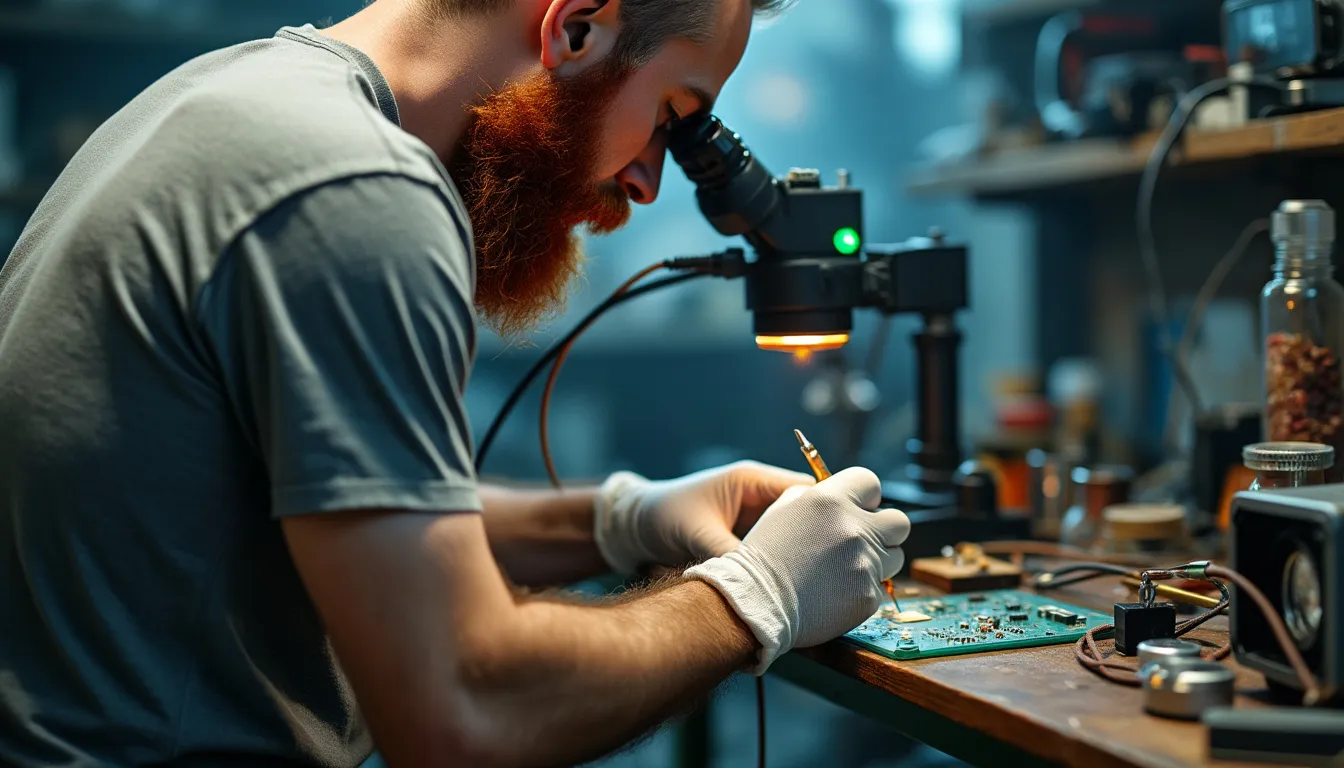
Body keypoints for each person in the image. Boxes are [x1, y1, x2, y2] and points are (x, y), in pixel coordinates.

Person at [0, 0, 912, 765]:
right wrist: (758, 598)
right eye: (674, 114)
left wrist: (623, 517)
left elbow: (354, 516)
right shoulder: (354, 189)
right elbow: (464, 708)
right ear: (579, 26)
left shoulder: (233, 98)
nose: (647, 184)